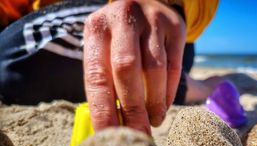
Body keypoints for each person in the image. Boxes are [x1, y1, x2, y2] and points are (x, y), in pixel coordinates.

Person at [0, 0, 222, 134]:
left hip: (163, 25)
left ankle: (203, 87)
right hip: (66, 20)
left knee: (11, 66)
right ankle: (183, 84)